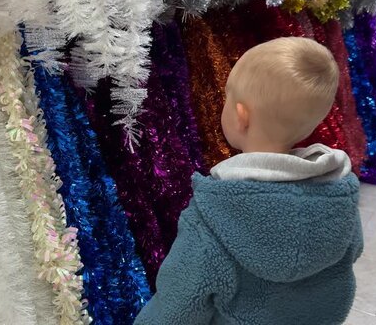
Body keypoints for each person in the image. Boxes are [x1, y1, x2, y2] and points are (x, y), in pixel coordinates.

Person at [134, 37, 363, 325]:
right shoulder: (339, 196)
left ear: (241, 116)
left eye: (227, 97)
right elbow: (353, 250)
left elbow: (176, 307)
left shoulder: (212, 217)